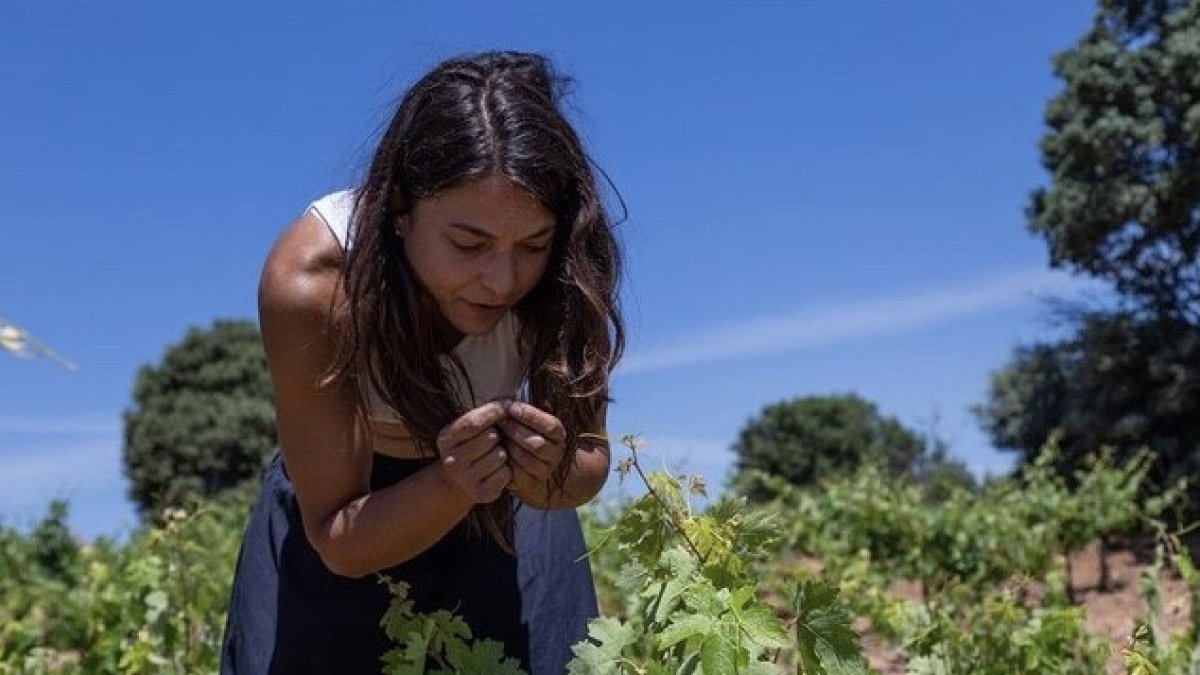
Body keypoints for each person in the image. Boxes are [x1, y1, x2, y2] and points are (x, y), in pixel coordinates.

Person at [220, 50, 625, 675]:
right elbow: (338, 538)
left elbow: (586, 466)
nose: (502, 279)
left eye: (532, 245)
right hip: (356, 520)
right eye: (468, 243)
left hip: (505, 504)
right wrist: (452, 482)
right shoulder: (317, 282)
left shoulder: (570, 266)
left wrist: (547, 471)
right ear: (400, 208)